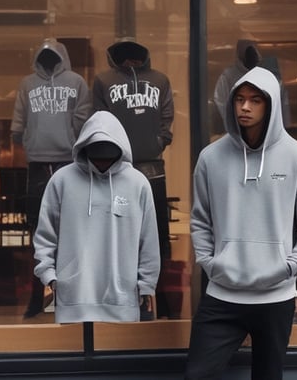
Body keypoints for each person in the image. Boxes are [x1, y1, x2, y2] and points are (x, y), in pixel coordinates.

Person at [185, 66, 297, 380]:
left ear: (271, 104)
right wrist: (210, 262)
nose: (244, 107)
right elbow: (200, 219)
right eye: (239, 99)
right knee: (198, 374)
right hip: (222, 294)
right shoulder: (210, 157)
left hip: (276, 296)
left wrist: (292, 265)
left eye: (255, 100)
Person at [33, 111, 161, 323]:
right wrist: (49, 277)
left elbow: (148, 241)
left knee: (118, 355)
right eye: (97, 156)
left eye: (108, 157)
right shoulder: (62, 181)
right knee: (72, 355)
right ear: (85, 150)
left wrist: (147, 285)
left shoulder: (138, 184)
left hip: (123, 300)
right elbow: (46, 234)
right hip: (73, 299)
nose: (102, 163)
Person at [91, 38, 174, 319]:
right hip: (119, 167)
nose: (129, 61)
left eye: (134, 57)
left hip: (153, 166)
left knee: (157, 234)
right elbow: (98, 118)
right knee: (118, 231)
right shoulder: (103, 80)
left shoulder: (160, 80)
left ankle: (159, 298)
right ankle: (118, 299)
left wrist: (160, 140)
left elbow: (167, 116)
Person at [10, 38, 92, 318]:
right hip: (37, 164)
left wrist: (74, 142)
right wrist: (23, 138)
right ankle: (36, 297)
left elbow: (83, 118)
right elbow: (19, 121)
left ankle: (69, 295)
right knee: (38, 232)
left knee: (72, 230)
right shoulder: (26, 84)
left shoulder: (76, 82)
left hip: (68, 163)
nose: (48, 60)